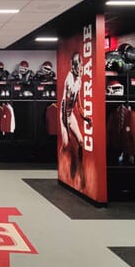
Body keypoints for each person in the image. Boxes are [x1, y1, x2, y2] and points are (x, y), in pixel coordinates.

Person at [59, 52, 91, 189]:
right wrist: (66, 126)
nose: (81, 68)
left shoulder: (79, 80)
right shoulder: (69, 79)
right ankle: (61, 163)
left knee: (81, 141)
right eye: (80, 65)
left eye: (82, 65)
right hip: (63, 113)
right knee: (66, 142)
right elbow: (66, 103)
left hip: (70, 113)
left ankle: (79, 167)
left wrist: (85, 117)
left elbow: (78, 103)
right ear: (75, 65)